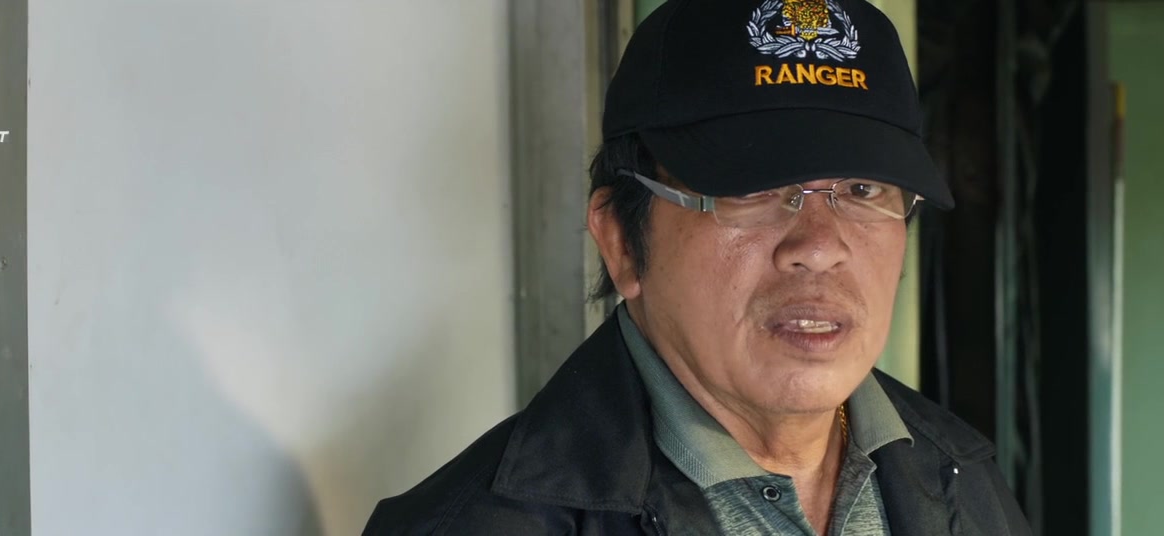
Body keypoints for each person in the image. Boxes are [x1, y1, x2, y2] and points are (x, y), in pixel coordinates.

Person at [365, 0, 1033, 533]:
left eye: (862, 190)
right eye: (754, 189)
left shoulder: (962, 476)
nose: (819, 244)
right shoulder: (474, 523)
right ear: (622, 241)